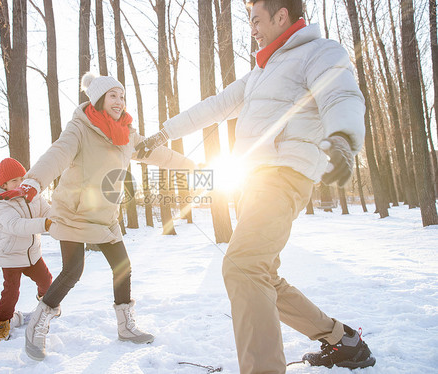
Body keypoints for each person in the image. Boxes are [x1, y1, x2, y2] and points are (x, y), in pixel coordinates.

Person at [136, 0, 375, 372]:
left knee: (243, 267)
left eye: (256, 19)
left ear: (282, 15)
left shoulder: (319, 51)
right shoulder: (261, 71)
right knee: (261, 275)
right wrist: (164, 133)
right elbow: (214, 106)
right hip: (254, 182)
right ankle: (341, 339)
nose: (252, 28)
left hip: (284, 175)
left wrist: (343, 137)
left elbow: (342, 94)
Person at [0, 72, 196, 361]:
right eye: (113, 95)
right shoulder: (79, 128)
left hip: (105, 216)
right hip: (73, 213)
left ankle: (126, 326)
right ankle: (38, 325)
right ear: (99, 99)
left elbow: (158, 154)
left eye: (122, 96)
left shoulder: (126, 134)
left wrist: (190, 164)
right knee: (72, 271)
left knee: (123, 267)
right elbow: (57, 154)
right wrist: (33, 181)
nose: (119, 101)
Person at [0, 157, 53, 342]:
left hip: (32, 253)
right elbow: (15, 225)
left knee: (47, 281)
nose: (20, 183)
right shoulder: (0, 203)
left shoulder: (32, 194)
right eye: (14, 180)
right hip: (11, 255)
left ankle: (44, 304)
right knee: (11, 292)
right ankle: (2, 323)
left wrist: (55, 219)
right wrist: (45, 224)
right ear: (4, 184)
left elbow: (46, 211)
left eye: (22, 178)